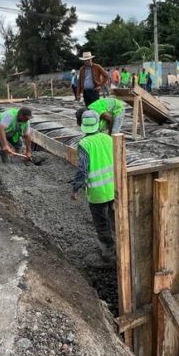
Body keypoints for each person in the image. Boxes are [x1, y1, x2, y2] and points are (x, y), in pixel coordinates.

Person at [72, 110, 115, 260]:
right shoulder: (108, 138)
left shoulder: (84, 144)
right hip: (114, 189)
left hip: (97, 193)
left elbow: (83, 169)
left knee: (101, 223)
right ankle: (121, 248)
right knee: (114, 219)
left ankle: (108, 254)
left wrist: (75, 188)